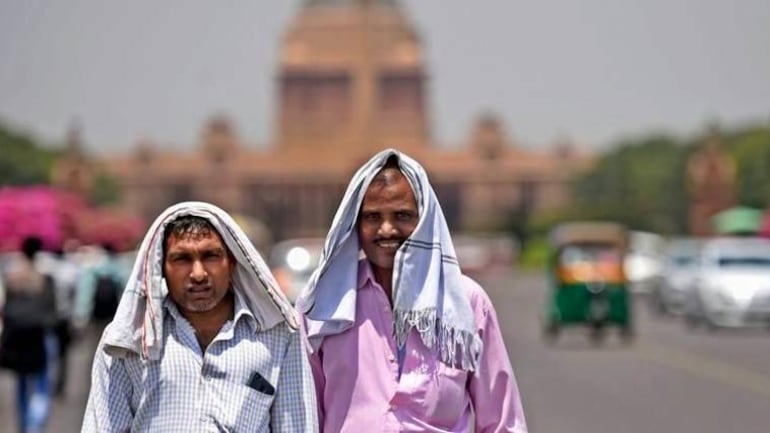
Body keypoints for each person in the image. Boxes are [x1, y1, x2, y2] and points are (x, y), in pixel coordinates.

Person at [297, 149, 528, 432]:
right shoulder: (324, 306)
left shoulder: (467, 303)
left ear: (425, 220)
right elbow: (304, 418)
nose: (386, 229)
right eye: (372, 217)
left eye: (402, 215)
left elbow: (502, 422)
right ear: (354, 224)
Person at [80, 201, 318, 432]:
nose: (198, 273)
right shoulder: (128, 341)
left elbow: (296, 425)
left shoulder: (278, 334)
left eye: (210, 256)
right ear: (161, 267)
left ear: (232, 261)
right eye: (182, 259)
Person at [0, 236, 58, 433]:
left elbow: (6, 310)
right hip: (38, 335)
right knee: (41, 383)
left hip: (17, 337)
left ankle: (24, 424)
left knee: (21, 384)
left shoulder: (12, 277)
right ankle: (35, 425)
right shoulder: (45, 278)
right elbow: (52, 312)